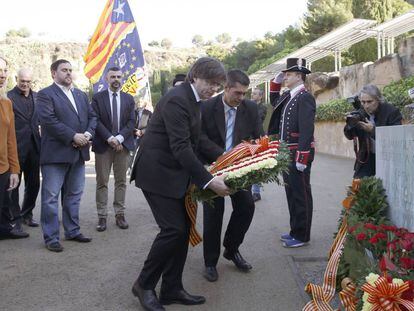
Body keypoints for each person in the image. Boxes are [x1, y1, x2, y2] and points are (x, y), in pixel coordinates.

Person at [130, 57, 230, 311]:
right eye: (211, 83)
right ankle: (144, 284)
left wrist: (230, 156)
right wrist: (208, 181)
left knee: (183, 230)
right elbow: (181, 148)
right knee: (172, 230)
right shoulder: (178, 98)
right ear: (195, 76)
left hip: (172, 173)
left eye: (218, 86)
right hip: (156, 173)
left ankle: (171, 288)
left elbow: (197, 141)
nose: (214, 90)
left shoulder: (194, 100)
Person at [198, 69, 263, 282]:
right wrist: (224, 156)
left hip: (240, 170)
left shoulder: (250, 108)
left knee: (246, 206)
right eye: (237, 93)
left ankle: (231, 249)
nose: (241, 98)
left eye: (244, 93)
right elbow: (199, 137)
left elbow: (258, 137)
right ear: (226, 88)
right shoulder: (207, 107)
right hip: (213, 168)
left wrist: (257, 154)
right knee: (213, 215)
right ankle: (210, 262)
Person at [37, 59, 97, 252]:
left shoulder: (80, 94)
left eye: (71, 70)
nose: (69, 73)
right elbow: (48, 121)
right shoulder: (46, 95)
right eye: (64, 70)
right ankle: (51, 237)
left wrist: (87, 134)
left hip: (78, 155)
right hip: (55, 155)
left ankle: (72, 231)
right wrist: (73, 136)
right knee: (51, 198)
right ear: (53, 73)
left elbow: (93, 117)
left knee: (74, 195)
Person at [268, 58, 315, 248]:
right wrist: (276, 82)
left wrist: (302, 155)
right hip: (286, 152)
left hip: (297, 153)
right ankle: (295, 231)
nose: (285, 77)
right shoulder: (290, 96)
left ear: (299, 75)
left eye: (288, 74)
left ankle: (302, 235)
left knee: (301, 194)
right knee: (291, 192)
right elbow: (274, 101)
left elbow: (306, 129)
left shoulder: (305, 97)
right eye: (285, 74)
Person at [91, 67, 135, 232]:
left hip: (122, 146)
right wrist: (110, 138)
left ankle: (120, 215)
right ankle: (102, 216)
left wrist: (119, 138)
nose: (116, 79)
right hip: (104, 146)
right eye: (113, 76)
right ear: (106, 78)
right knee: (102, 182)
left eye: (118, 76)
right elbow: (95, 120)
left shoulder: (129, 99)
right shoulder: (97, 98)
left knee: (121, 181)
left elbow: (131, 122)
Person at [344, 84, 402, 178]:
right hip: (366, 157)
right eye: (363, 102)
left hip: (387, 158)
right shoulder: (360, 112)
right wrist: (350, 124)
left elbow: (396, 138)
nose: (366, 106)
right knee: (358, 188)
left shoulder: (391, 112)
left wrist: (373, 130)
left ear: (378, 99)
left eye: (369, 102)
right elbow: (349, 136)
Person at [7, 68, 41, 228]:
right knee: (14, 185)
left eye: (28, 81)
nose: (25, 84)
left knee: (34, 184)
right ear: (16, 79)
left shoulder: (37, 97)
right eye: (22, 81)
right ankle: (15, 218)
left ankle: (27, 214)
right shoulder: (8, 97)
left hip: (35, 147)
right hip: (16, 148)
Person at [0, 56, 28, 240]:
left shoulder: (6, 102)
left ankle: (4, 230)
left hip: (2, 168)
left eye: (4, 71)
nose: (1, 75)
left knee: (3, 205)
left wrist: (14, 170)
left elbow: (11, 140)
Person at [250, 87, 267, 202]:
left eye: (255, 94)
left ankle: (256, 192)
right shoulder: (248, 106)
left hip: (258, 140)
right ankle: (249, 190)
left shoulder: (263, 108)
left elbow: (259, 120)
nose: (252, 95)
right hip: (248, 140)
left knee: (256, 167)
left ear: (261, 96)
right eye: (252, 93)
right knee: (248, 166)